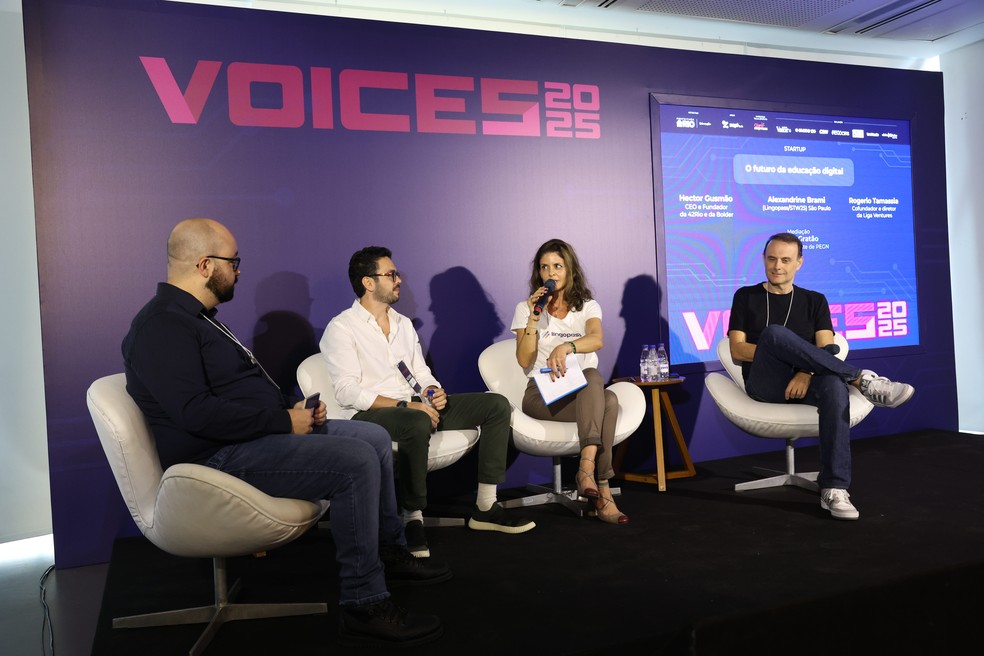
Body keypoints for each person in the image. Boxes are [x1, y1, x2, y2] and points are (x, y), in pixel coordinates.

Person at [122, 219, 449, 648]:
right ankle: (363, 601)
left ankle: (388, 550)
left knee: (369, 440)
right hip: (214, 458)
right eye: (233, 262)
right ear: (205, 265)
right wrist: (282, 422)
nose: (239, 270)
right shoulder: (163, 325)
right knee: (354, 462)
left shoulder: (198, 319)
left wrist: (290, 411)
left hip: (251, 437)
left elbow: (226, 396)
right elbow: (194, 414)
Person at [321, 247, 536, 558]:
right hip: (368, 415)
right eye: (391, 275)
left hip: (414, 406)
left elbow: (419, 371)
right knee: (417, 420)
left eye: (397, 275)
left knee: (497, 405)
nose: (398, 281)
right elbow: (346, 392)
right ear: (368, 283)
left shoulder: (402, 324)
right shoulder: (341, 328)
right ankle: (412, 518)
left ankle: (486, 507)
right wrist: (406, 407)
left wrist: (433, 391)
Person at [728, 232, 915, 521]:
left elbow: (827, 347)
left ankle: (834, 488)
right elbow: (738, 350)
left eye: (786, 260)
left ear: (799, 263)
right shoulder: (746, 296)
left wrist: (805, 371)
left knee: (833, 386)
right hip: (765, 382)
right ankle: (862, 380)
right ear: (764, 259)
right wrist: (776, 351)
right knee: (774, 334)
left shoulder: (815, 300)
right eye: (772, 258)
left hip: (808, 379)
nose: (777, 266)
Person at [511, 239, 628, 525]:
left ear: (569, 269)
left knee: (603, 393)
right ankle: (600, 486)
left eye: (557, 266)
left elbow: (596, 338)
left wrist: (567, 347)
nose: (551, 273)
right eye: (544, 267)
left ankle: (590, 474)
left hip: (581, 392)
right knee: (602, 393)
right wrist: (533, 317)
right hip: (541, 393)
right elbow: (525, 361)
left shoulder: (587, 306)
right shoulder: (526, 309)